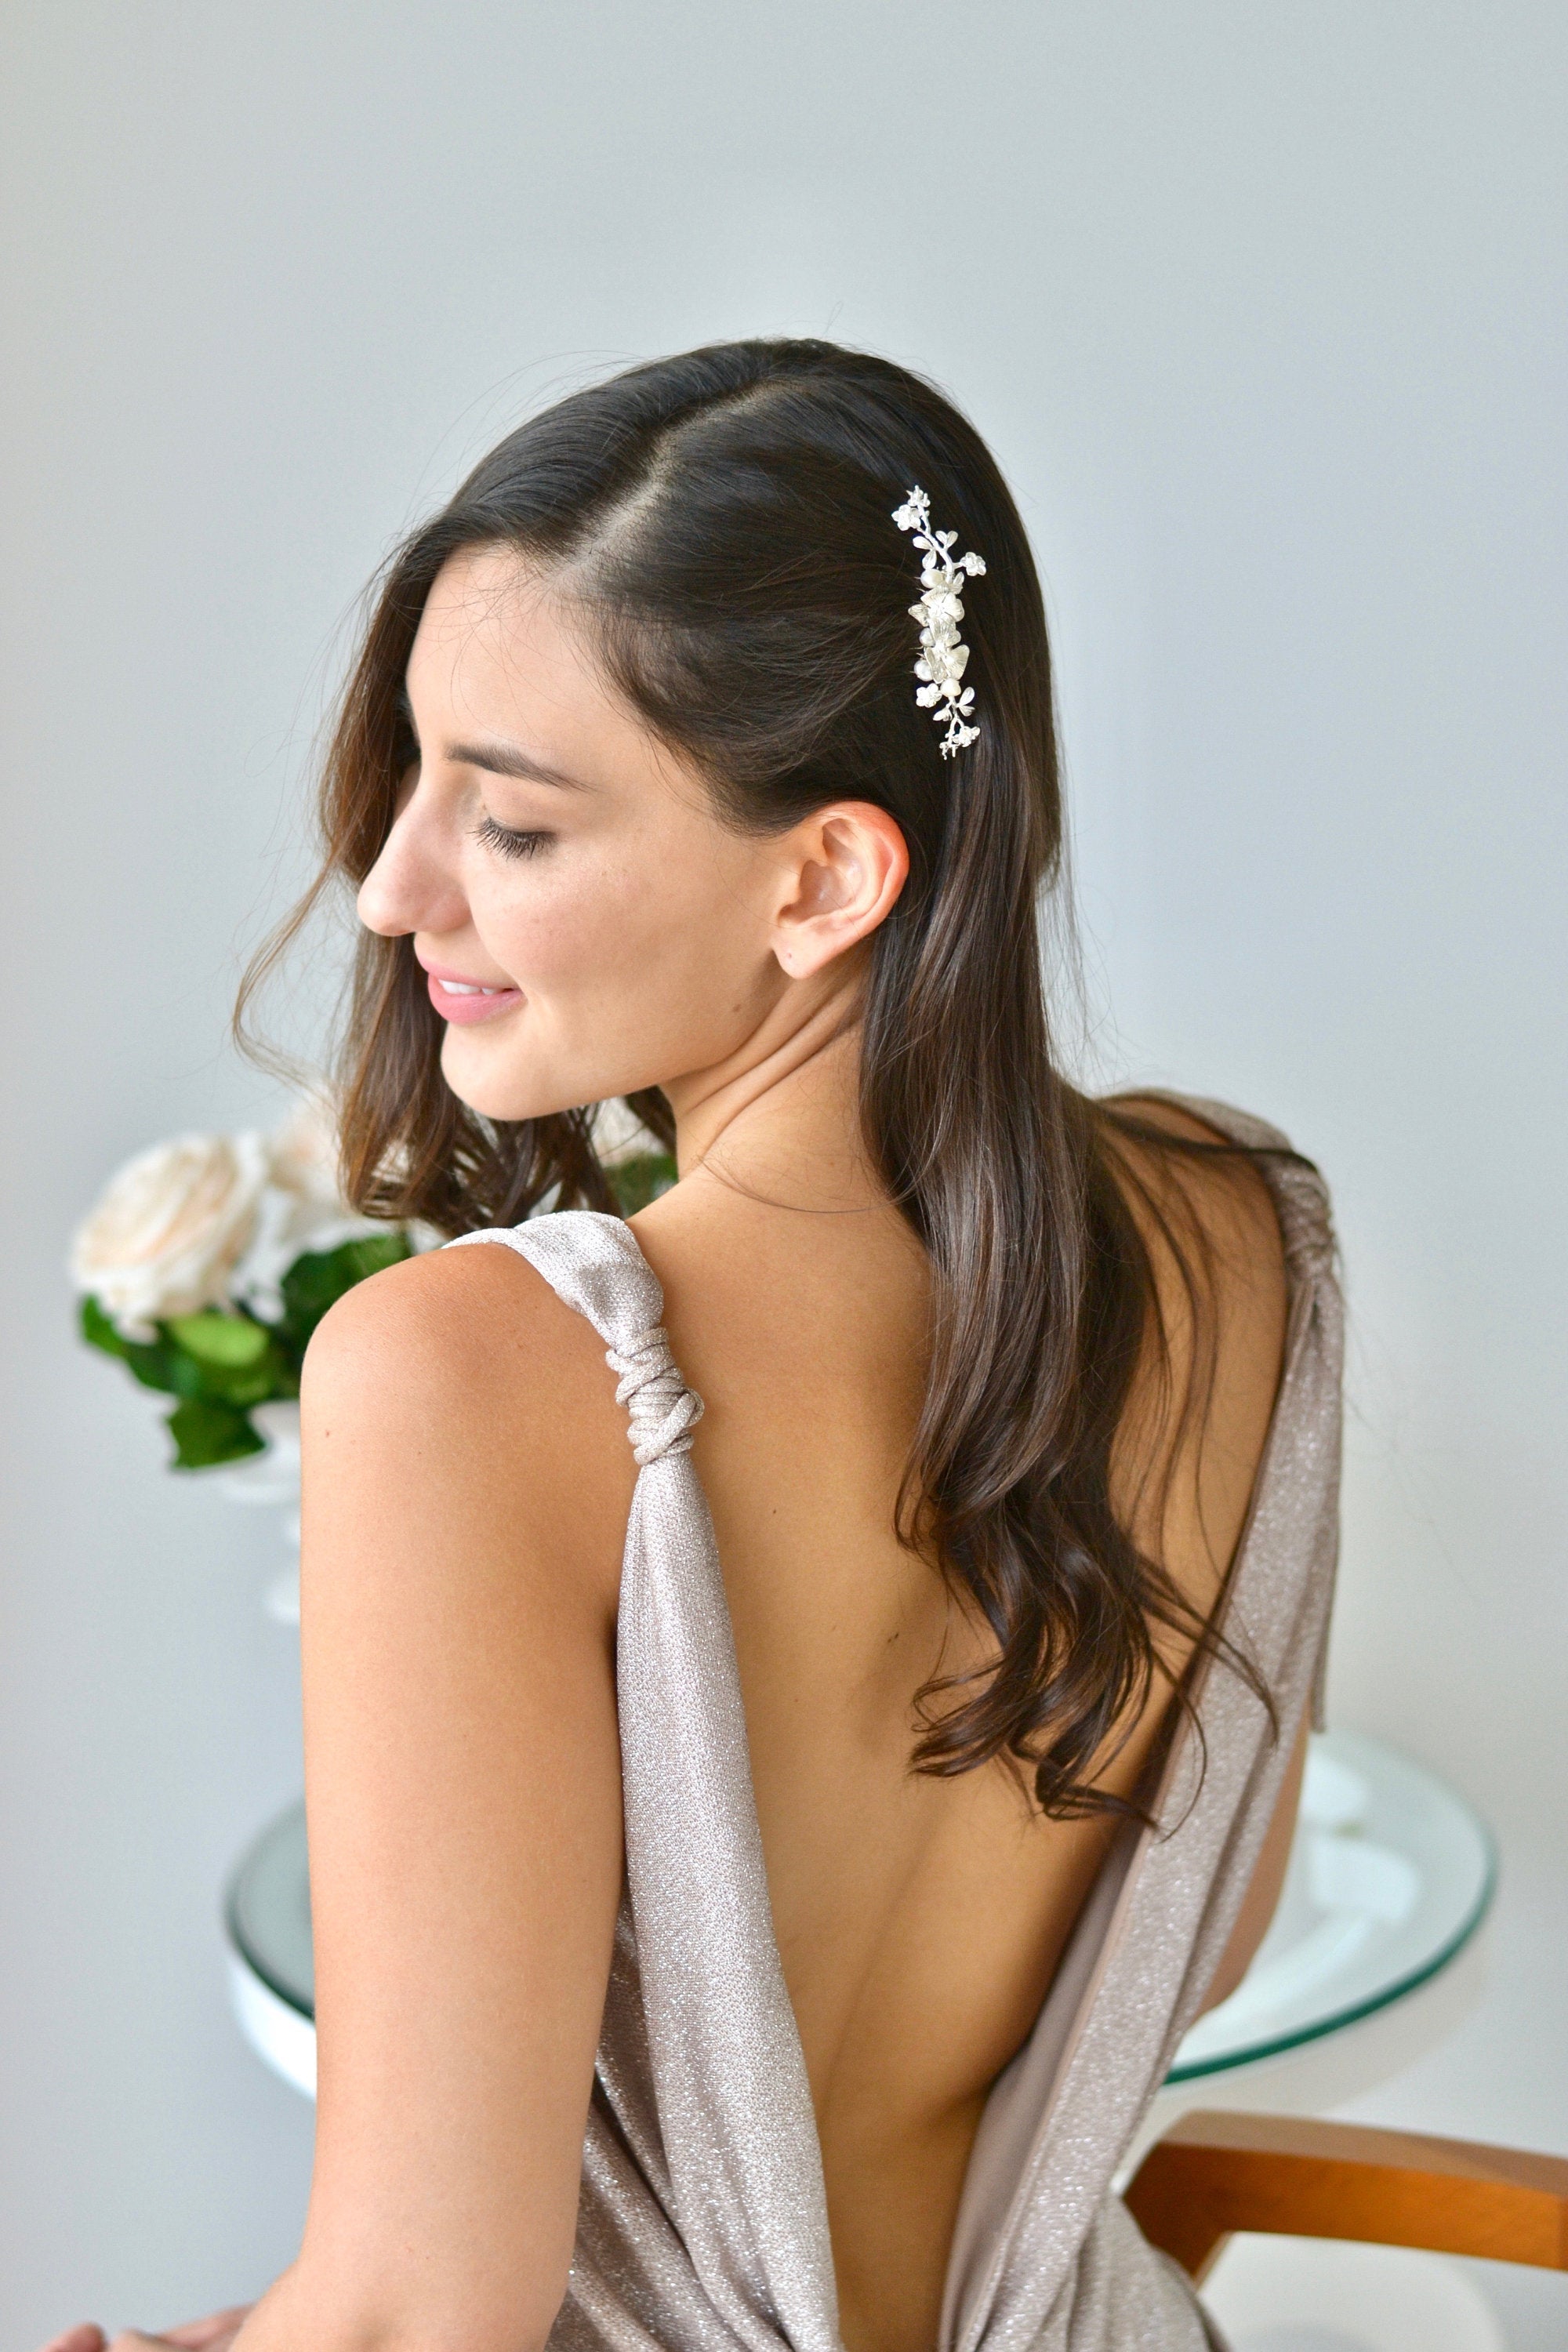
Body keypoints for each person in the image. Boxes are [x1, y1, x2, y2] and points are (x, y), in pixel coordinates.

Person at [45, 339, 1340, 2352]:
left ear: (824, 875)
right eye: (414, 775)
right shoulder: (1247, 1231)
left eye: (518, 826)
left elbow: (418, 2326)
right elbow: (1218, 1923)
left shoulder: (471, 1381)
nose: (393, 887)